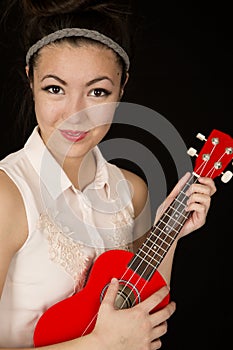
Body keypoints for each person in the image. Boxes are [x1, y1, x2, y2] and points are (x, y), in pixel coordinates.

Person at [0, 0, 216, 349]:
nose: (75, 114)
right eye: (55, 89)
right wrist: (100, 343)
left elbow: (141, 318)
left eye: (97, 92)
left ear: (122, 88)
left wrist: (170, 235)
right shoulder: (7, 194)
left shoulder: (131, 190)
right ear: (30, 79)